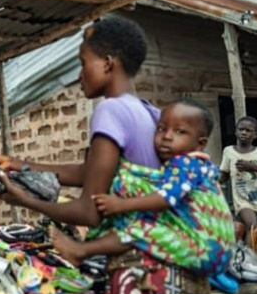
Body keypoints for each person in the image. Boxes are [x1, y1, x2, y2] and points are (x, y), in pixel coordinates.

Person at [0, 18, 210, 294]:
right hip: (176, 273)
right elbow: (94, 172)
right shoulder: (152, 114)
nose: (79, 74)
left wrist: (24, 199)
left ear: (106, 63)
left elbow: (89, 212)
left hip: (140, 276)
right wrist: (19, 164)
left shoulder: (110, 110)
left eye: (82, 62)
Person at [51, 98, 235, 275]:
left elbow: (165, 198)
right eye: (161, 129)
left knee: (138, 229)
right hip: (211, 247)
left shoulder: (187, 164)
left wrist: (121, 205)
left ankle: (81, 251)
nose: (167, 137)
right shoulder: (186, 165)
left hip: (207, 247)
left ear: (200, 143)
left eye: (180, 132)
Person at [219, 117, 257, 245]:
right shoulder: (228, 151)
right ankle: (249, 261)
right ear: (236, 131)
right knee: (252, 226)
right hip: (243, 200)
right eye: (241, 129)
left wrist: (253, 167)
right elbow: (223, 175)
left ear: (255, 134)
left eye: (248, 130)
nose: (244, 133)